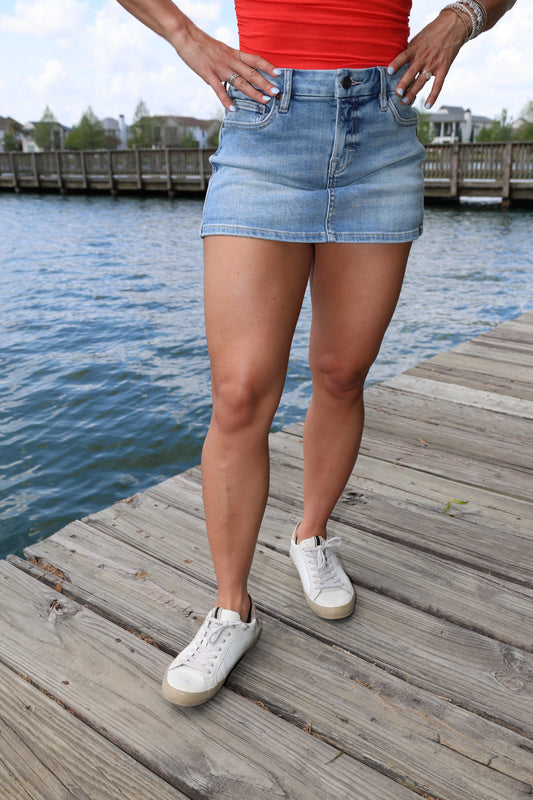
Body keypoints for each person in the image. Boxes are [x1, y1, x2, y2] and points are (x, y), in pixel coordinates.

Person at [116, 0, 516, 706]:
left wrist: (462, 16)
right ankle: (232, 610)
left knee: (341, 373)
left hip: (379, 129)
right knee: (239, 391)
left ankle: (310, 536)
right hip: (266, 125)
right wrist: (182, 34)